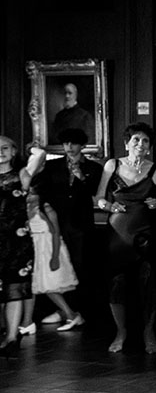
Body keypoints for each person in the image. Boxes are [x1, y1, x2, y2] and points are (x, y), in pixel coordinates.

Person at [95, 123, 156, 354]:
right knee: (116, 283)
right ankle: (121, 331)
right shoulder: (112, 165)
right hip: (118, 233)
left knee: (148, 282)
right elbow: (98, 198)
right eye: (136, 140)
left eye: (145, 141)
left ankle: (149, 331)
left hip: (145, 233)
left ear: (150, 147)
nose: (140, 144)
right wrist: (109, 205)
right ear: (127, 143)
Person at [30, 126, 101, 322]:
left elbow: (96, 192)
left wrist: (81, 177)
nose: (69, 147)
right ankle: (62, 310)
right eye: (66, 143)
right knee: (59, 266)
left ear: (82, 145)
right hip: (55, 223)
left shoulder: (94, 168)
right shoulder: (53, 166)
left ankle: (78, 311)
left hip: (80, 224)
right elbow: (38, 187)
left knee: (78, 266)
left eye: (74, 143)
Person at [19, 181, 83, 337]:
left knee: (47, 285)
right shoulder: (25, 209)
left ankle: (71, 314)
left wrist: (55, 257)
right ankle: (27, 321)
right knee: (33, 285)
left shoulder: (46, 209)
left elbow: (55, 233)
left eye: (32, 193)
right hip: (34, 248)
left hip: (47, 248)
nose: (29, 196)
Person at [0, 136, 33, 359]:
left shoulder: (22, 175)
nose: (0, 152)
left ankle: (12, 337)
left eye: (5, 148)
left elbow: (39, 156)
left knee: (15, 289)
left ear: (13, 151)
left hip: (16, 241)